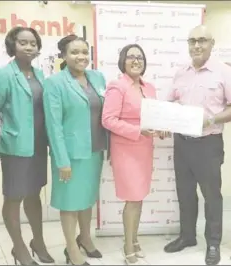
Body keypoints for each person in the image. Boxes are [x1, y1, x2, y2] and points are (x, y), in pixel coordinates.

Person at [164, 25, 231, 266]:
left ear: (212, 44)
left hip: (208, 143)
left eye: (202, 40)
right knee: (185, 193)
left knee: (212, 196)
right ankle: (187, 236)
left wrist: (211, 118)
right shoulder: (181, 72)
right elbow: (170, 105)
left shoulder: (223, 72)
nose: (197, 45)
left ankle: (213, 242)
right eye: (192, 41)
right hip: (181, 143)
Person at [0, 27, 53, 265]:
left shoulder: (40, 75)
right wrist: (6, 135)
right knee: (14, 196)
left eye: (33, 43)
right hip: (14, 147)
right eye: (23, 42)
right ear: (12, 45)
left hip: (38, 146)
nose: (29, 47)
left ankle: (39, 241)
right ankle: (19, 248)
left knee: (34, 194)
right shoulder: (2, 75)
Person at [43, 34, 108, 266]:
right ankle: (72, 249)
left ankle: (86, 238)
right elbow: (53, 124)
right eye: (74, 52)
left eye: (84, 52)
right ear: (63, 55)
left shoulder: (97, 77)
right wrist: (62, 160)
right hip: (70, 154)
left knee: (87, 199)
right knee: (70, 203)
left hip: (95, 149)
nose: (81, 56)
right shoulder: (54, 83)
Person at [102, 43, 168, 265]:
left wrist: (160, 128)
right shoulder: (116, 86)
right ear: (123, 60)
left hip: (145, 149)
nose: (136, 60)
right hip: (126, 150)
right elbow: (108, 120)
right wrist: (137, 131)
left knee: (139, 198)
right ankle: (127, 245)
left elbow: (154, 117)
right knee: (132, 199)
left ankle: (135, 239)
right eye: (130, 56)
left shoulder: (149, 87)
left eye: (139, 56)